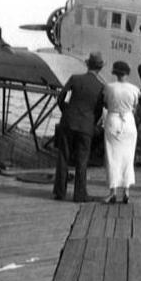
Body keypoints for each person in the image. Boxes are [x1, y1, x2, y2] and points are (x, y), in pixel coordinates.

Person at [52, 51, 105, 202]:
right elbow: (99, 110)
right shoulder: (101, 87)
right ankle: (79, 195)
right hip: (86, 126)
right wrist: (91, 122)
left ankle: (59, 192)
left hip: (68, 123)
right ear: (100, 68)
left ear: (87, 64)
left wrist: (66, 111)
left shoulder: (75, 78)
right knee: (82, 160)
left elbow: (60, 97)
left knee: (63, 156)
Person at [102, 60, 140, 204]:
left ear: (115, 73)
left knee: (112, 157)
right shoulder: (134, 89)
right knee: (128, 158)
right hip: (129, 123)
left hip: (113, 120)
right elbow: (135, 106)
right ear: (127, 74)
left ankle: (113, 192)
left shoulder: (109, 87)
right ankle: (127, 191)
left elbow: (105, 103)